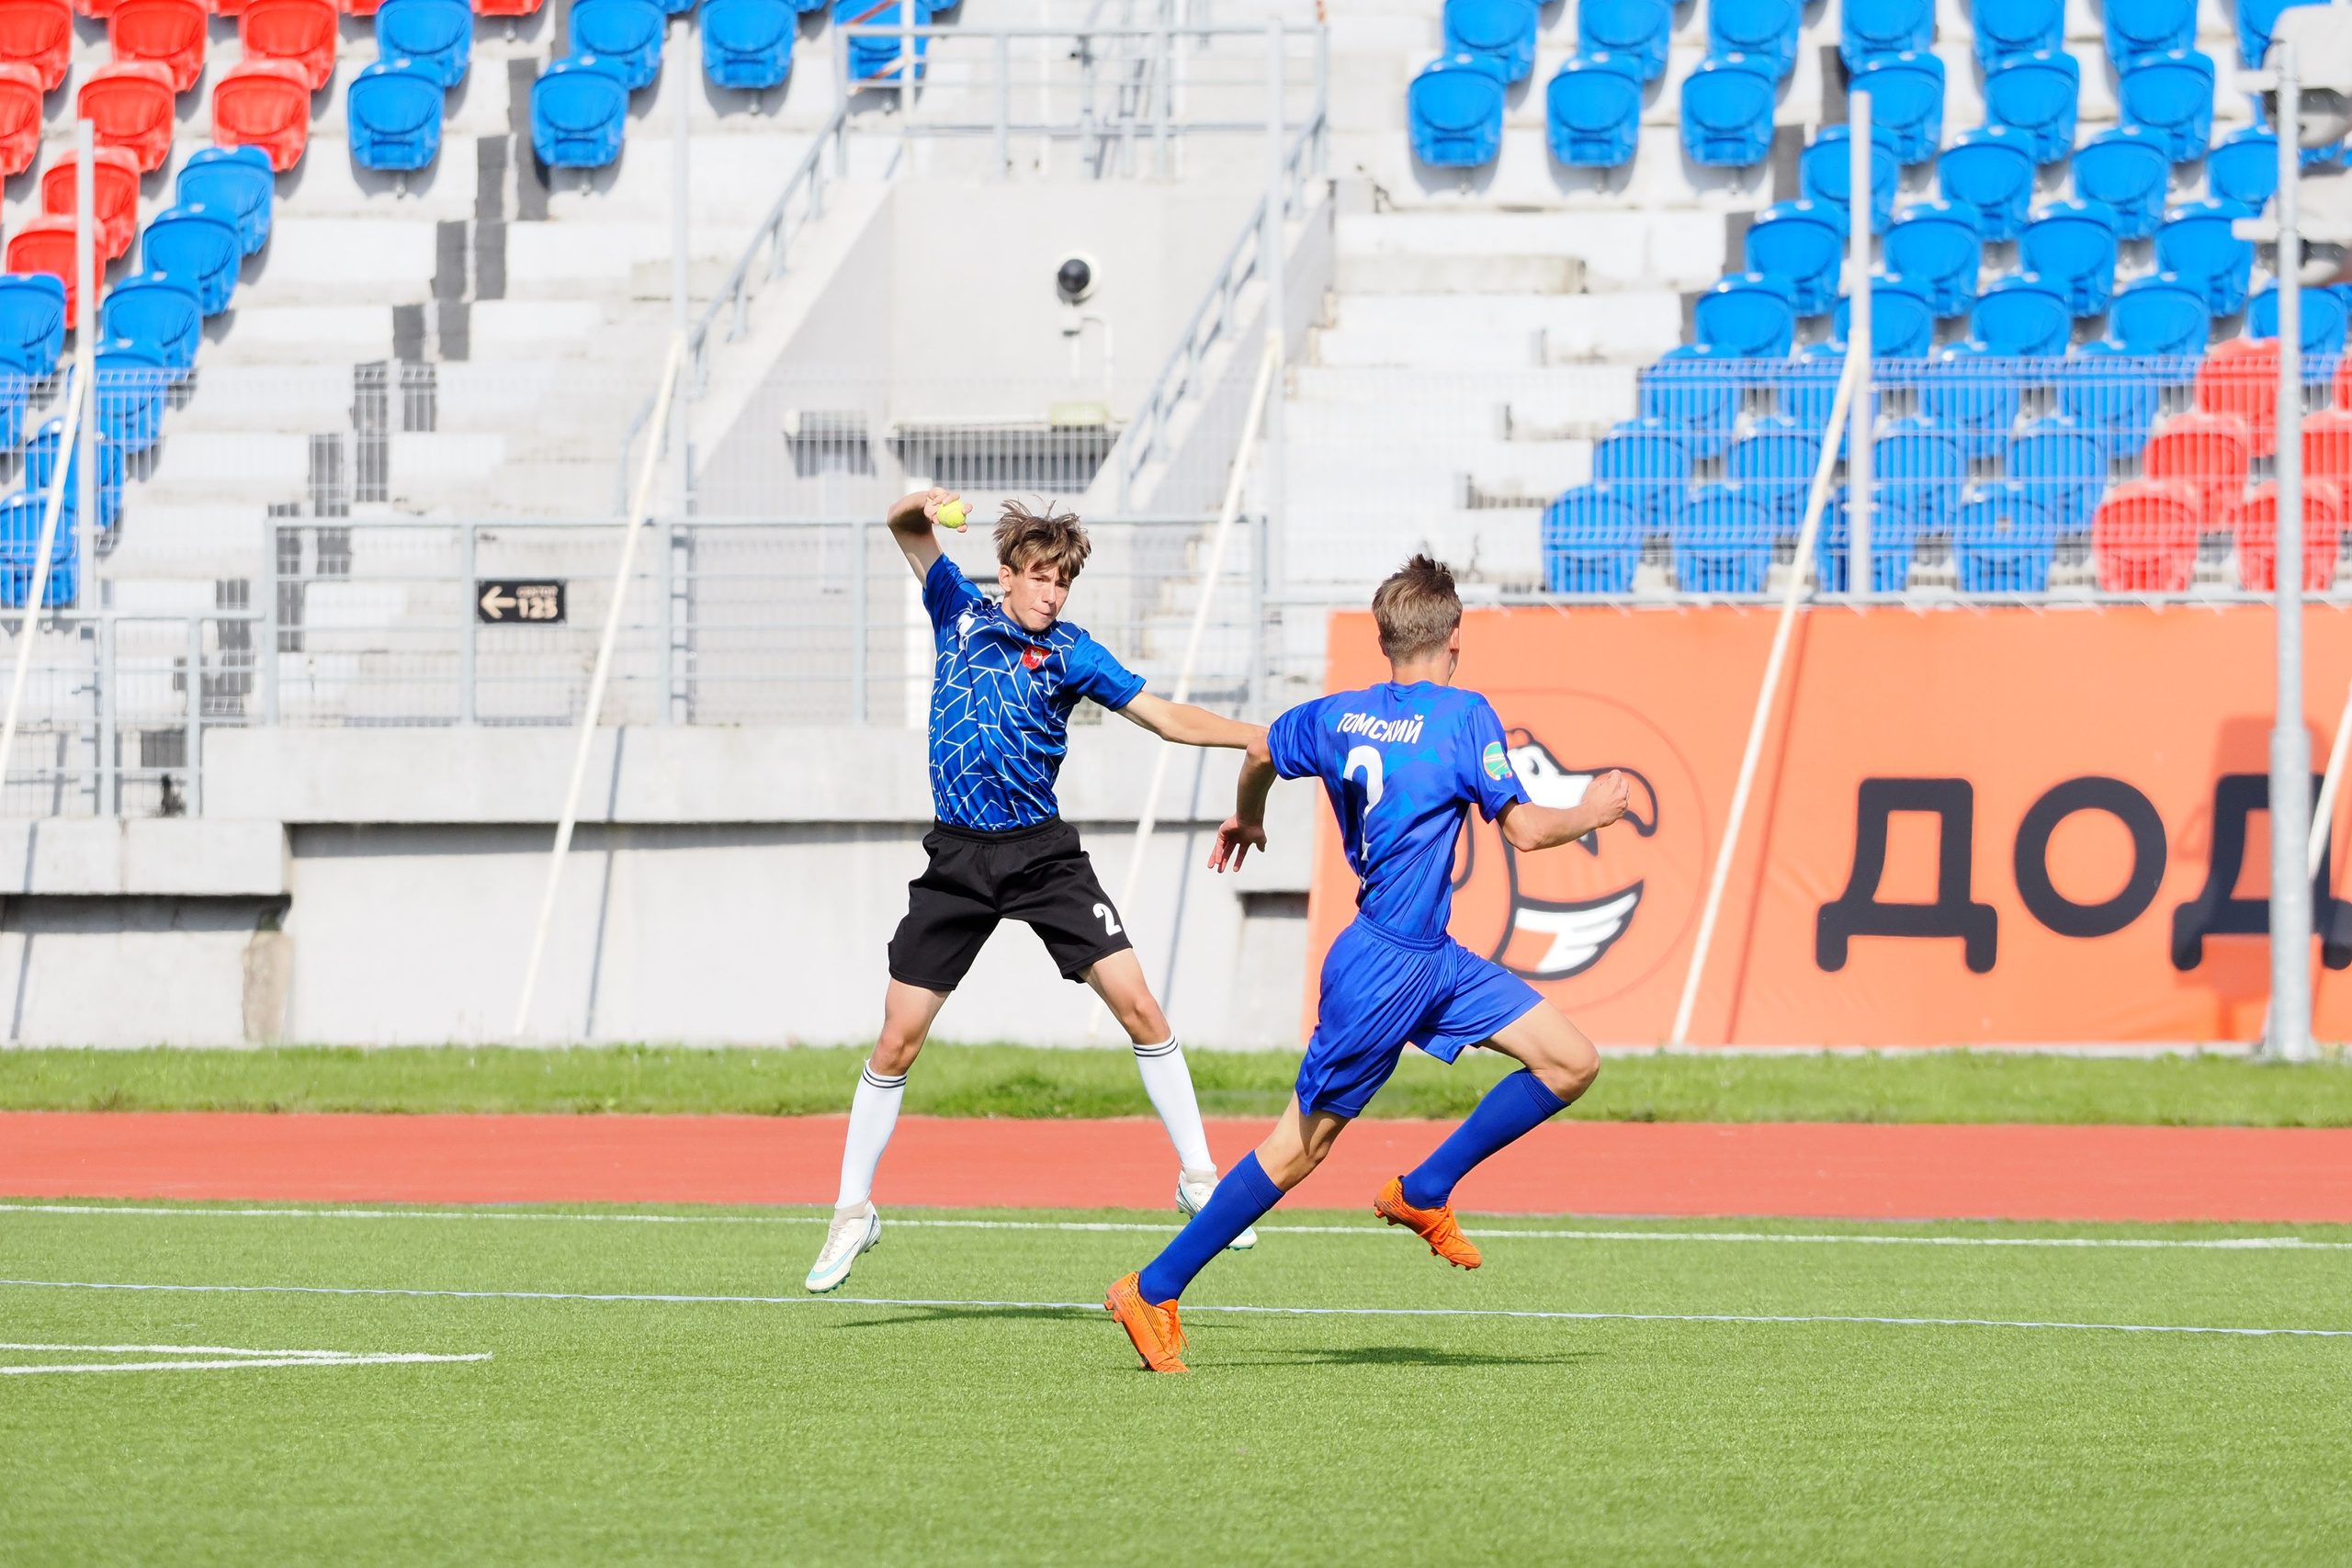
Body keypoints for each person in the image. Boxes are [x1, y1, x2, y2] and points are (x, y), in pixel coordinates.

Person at [1103, 555, 1631, 1371]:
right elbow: (1524, 832)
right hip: (1386, 966)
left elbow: (1257, 751)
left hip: (1431, 957)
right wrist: (1592, 810)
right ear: (1455, 636)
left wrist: (1247, 819)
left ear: (1384, 640)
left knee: (1570, 1061)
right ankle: (1154, 1284)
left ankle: (1423, 1190)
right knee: (1298, 1148)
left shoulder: (1340, 715)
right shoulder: (1465, 716)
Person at [807, 489, 1269, 1293]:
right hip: (957, 860)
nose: (1052, 594)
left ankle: (1199, 1176)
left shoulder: (1073, 652)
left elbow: (1162, 716)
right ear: (1008, 575)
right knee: (897, 1038)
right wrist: (925, 503)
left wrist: (1252, 734)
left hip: (1040, 856)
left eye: (1063, 582)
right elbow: (903, 526)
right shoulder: (957, 608)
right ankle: (853, 1210)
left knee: (1140, 1006)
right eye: (1041, 577)